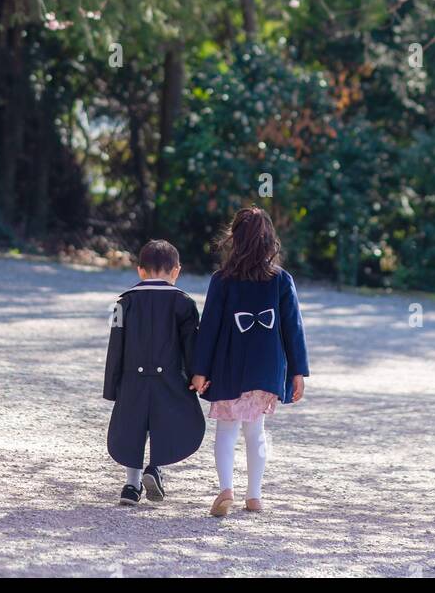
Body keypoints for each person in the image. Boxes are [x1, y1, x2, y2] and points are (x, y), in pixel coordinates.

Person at [190, 207, 309, 516]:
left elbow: (210, 327)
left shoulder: (222, 280)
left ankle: (226, 489)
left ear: (235, 240)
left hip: (229, 366)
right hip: (265, 368)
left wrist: (200, 370)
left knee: (227, 430)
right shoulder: (281, 280)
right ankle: (254, 495)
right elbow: (293, 328)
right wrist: (298, 371)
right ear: (270, 240)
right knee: (255, 431)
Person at [103, 239, 205, 505]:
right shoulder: (183, 303)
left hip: (131, 378)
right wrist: (198, 373)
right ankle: (156, 467)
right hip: (170, 378)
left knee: (132, 429)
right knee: (171, 423)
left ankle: (131, 486)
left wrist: (112, 385)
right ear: (176, 271)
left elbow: (116, 345)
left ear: (140, 270)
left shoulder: (123, 303)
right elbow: (191, 343)